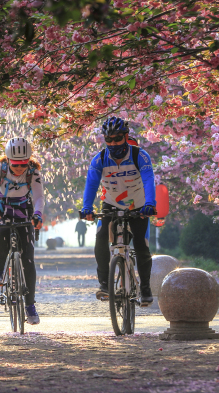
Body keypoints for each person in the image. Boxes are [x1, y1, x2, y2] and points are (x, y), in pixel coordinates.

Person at [79, 116, 157, 306]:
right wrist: (87, 207)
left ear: (126, 136)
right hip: (111, 203)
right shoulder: (100, 159)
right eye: (109, 140)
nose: (113, 143)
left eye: (117, 139)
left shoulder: (140, 156)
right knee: (100, 237)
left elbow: (148, 179)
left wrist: (150, 203)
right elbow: (91, 184)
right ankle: (104, 284)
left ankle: (145, 288)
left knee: (141, 244)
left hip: (138, 205)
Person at [0, 137, 44, 325]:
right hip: (1, 208)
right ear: (8, 160)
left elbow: (40, 196)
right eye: (16, 165)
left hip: (23, 209)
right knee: (2, 233)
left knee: (28, 260)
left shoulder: (33, 172)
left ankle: (30, 305)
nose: (19, 169)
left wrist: (38, 215)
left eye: (23, 165)